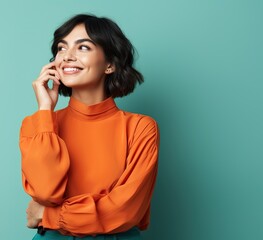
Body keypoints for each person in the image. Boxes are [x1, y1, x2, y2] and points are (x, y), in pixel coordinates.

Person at [19, 14, 160, 240]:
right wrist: (45, 111)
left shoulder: (140, 128)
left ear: (110, 65)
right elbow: (45, 193)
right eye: (61, 48)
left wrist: (49, 215)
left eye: (83, 47)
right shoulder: (37, 125)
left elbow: (123, 210)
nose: (67, 57)